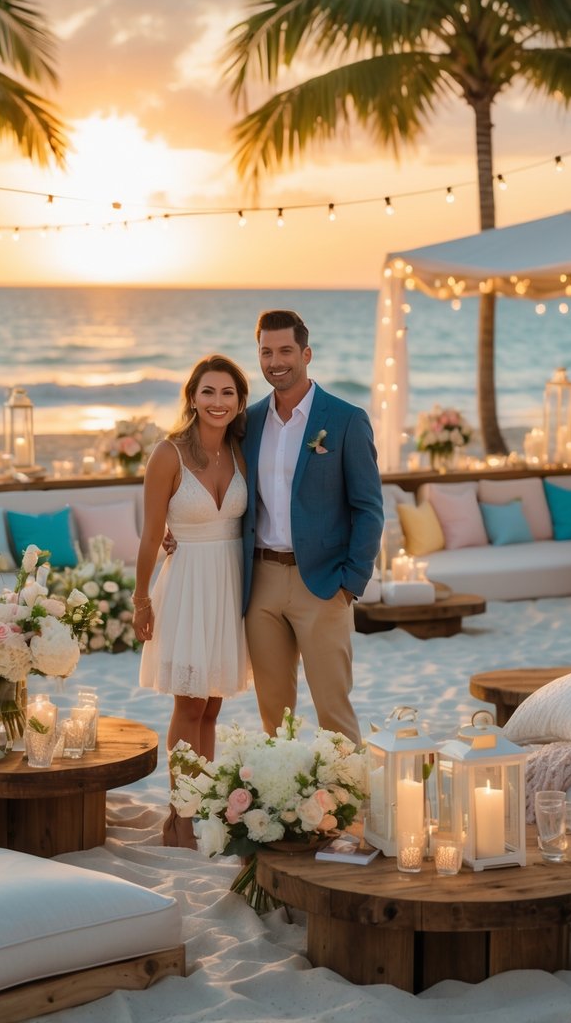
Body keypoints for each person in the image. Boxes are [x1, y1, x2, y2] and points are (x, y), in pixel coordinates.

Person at [242, 309, 383, 744]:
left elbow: (369, 508)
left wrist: (351, 583)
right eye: (266, 352)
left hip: (323, 584)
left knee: (334, 713)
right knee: (273, 715)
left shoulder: (345, 419)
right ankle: (283, 805)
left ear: (306, 353)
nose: (275, 361)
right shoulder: (246, 422)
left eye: (285, 350)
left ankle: (350, 811)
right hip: (260, 581)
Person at [134, 354, 251, 847]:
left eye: (228, 393)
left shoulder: (243, 451)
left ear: (240, 401)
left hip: (229, 584)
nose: (218, 402)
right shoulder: (168, 454)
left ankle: (203, 806)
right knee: (189, 701)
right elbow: (150, 534)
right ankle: (179, 816)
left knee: (212, 706)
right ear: (192, 396)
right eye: (209, 392)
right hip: (186, 586)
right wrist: (141, 599)